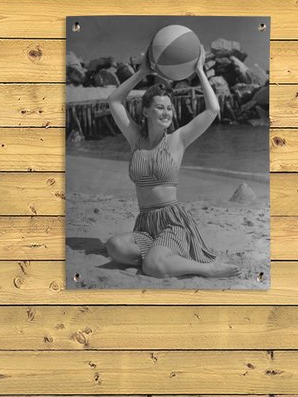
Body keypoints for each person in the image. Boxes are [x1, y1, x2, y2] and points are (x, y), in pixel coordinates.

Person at [103, 48, 240, 279]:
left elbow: (213, 109)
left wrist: (199, 70)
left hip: (173, 222)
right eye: (159, 107)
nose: (166, 112)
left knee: (152, 267)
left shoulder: (179, 139)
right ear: (146, 111)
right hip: (145, 224)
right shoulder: (135, 138)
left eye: (169, 108)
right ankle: (163, 258)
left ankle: (208, 269)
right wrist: (142, 72)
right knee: (114, 246)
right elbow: (114, 100)